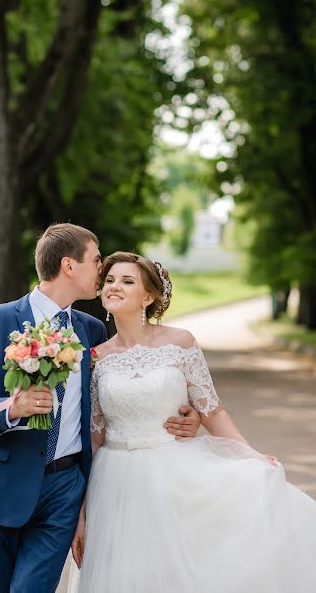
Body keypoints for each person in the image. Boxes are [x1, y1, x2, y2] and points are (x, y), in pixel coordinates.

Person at [0, 224, 199, 593]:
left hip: (65, 487)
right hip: (3, 482)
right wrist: (10, 409)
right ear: (69, 265)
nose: (102, 270)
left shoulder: (91, 330)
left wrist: (180, 415)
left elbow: (116, 397)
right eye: (96, 261)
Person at [68, 251, 316, 593]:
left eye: (127, 281)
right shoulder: (97, 357)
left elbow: (212, 410)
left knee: (178, 571)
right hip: (114, 482)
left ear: (149, 296)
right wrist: (81, 511)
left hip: (171, 470)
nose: (114, 286)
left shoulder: (180, 342)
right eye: (109, 280)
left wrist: (251, 455)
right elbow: (95, 437)